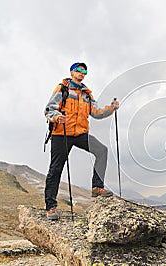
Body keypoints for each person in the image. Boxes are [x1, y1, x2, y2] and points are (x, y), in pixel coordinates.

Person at [44, 62, 119, 220]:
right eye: (78, 70)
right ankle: (51, 207)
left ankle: (97, 187)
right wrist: (58, 117)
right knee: (56, 169)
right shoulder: (62, 88)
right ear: (72, 72)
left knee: (102, 150)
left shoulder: (87, 94)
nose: (82, 73)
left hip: (79, 133)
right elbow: (49, 109)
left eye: (84, 71)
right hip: (61, 133)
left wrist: (111, 108)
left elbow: (97, 113)